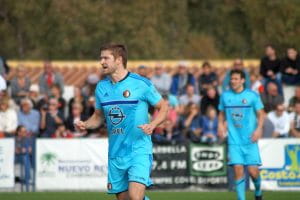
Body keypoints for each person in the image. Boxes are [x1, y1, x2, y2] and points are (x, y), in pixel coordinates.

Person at [75, 44, 168, 200]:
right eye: (100, 58)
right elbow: (98, 116)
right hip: (116, 153)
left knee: (135, 196)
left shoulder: (140, 83)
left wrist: (153, 125)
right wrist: (86, 124)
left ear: (119, 60)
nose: (102, 62)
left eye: (106, 58)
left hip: (139, 149)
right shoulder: (101, 87)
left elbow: (163, 107)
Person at [218, 69, 264, 200]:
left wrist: (259, 129)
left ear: (243, 80)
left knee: (253, 172)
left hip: (250, 140)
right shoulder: (225, 96)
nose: (233, 81)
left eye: (236, 79)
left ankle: (258, 192)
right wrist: (220, 124)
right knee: (238, 170)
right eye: (231, 79)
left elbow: (261, 114)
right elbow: (221, 113)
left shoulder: (252, 95)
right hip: (234, 140)